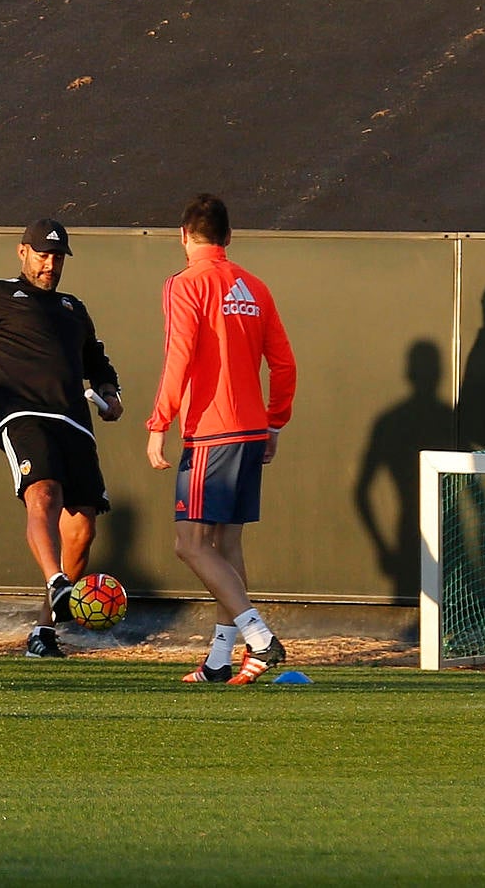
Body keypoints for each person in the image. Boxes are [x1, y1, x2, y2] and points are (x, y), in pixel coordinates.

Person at [0, 219, 123, 658]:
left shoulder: (75, 308)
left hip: (75, 422)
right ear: (22, 252)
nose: (50, 264)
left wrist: (111, 396)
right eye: (42, 254)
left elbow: (99, 362)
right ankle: (57, 581)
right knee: (43, 493)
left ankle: (45, 631)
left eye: (57, 257)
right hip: (23, 415)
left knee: (83, 528)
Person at [146, 194, 296, 684]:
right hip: (250, 430)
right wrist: (274, 423)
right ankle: (219, 660)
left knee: (189, 545)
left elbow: (179, 355)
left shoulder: (184, 284)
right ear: (228, 238)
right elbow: (284, 364)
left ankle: (259, 637)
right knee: (225, 545)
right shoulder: (254, 285)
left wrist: (158, 424)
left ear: (183, 236)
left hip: (211, 431)